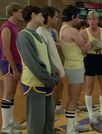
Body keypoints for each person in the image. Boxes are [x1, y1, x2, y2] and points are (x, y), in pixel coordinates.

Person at [16, 5, 59, 134]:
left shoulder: (38, 35)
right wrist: (50, 80)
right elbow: (33, 63)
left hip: (46, 83)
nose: (43, 17)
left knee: (48, 121)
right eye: (41, 15)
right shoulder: (24, 36)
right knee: (36, 123)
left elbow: (47, 59)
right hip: (34, 84)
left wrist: (53, 75)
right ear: (33, 15)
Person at [59, 5, 90, 133]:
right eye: (78, 17)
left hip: (70, 65)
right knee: (73, 99)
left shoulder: (62, 29)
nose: (79, 20)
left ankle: (74, 124)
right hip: (75, 67)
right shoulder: (72, 31)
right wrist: (92, 43)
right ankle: (70, 129)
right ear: (73, 17)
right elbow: (85, 48)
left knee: (74, 98)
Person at [80, 10, 102, 124]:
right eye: (90, 19)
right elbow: (81, 50)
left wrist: (101, 45)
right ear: (87, 20)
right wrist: (89, 46)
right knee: (89, 87)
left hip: (100, 59)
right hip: (89, 59)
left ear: (98, 20)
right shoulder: (83, 33)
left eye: (94, 19)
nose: (92, 21)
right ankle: (91, 115)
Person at [0, 2, 25, 133]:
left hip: (16, 63)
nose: (22, 14)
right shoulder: (6, 27)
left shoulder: (15, 27)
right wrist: (14, 68)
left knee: (12, 95)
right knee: (7, 93)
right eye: (20, 12)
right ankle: (5, 126)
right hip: (9, 64)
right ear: (14, 12)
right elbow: (5, 49)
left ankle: (10, 122)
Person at [36, 6, 65, 115]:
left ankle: (50, 124)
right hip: (51, 72)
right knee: (49, 102)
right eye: (56, 17)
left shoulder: (48, 31)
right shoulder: (40, 32)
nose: (58, 19)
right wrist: (53, 67)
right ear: (49, 17)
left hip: (55, 71)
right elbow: (42, 55)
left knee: (53, 101)